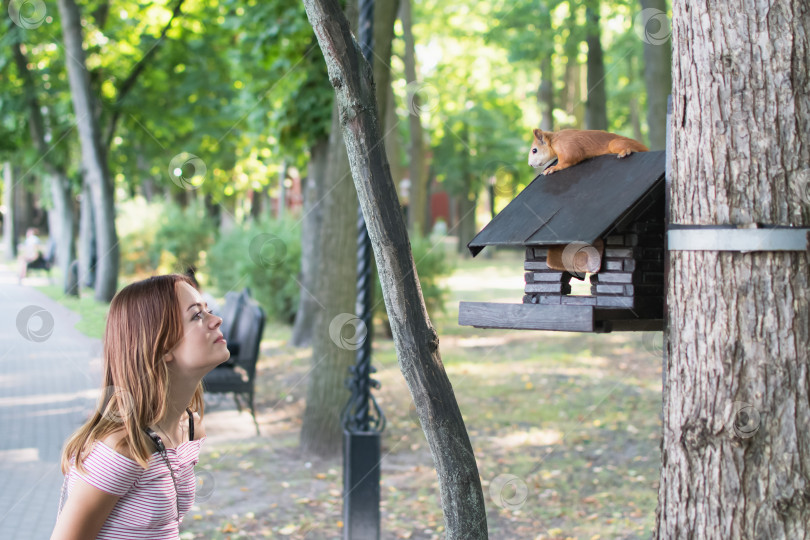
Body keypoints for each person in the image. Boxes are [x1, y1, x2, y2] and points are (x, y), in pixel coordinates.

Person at [51, 274, 230, 539]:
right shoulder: (122, 447)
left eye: (209, 311)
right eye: (196, 316)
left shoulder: (190, 427)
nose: (216, 320)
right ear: (161, 345)